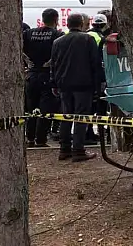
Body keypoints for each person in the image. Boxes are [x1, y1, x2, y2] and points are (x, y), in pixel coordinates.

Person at [50, 13, 103, 162]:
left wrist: (53, 83)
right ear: (81, 24)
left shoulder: (57, 42)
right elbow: (95, 64)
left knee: (66, 116)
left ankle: (64, 149)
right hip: (83, 84)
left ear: (67, 25)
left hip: (64, 85)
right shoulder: (88, 39)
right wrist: (98, 85)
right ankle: (78, 150)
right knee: (81, 117)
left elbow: (53, 64)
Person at [23, 9, 64, 147]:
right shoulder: (58, 34)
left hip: (31, 74)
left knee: (30, 109)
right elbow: (60, 55)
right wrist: (51, 62)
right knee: (46, 110)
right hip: (48, 75)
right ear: (56, 20)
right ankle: (41, 139)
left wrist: (27, 60)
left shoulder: (29, 33)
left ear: (42, 19)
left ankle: (29, 138)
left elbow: (18, 47)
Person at [84, 13, 109, 144]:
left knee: (88, 108)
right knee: (100, 107)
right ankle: (100, 131)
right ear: (104, 25)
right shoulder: (101, 38)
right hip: (99, 77)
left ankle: (89, 133)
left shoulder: (86, 35)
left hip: (85, 76)